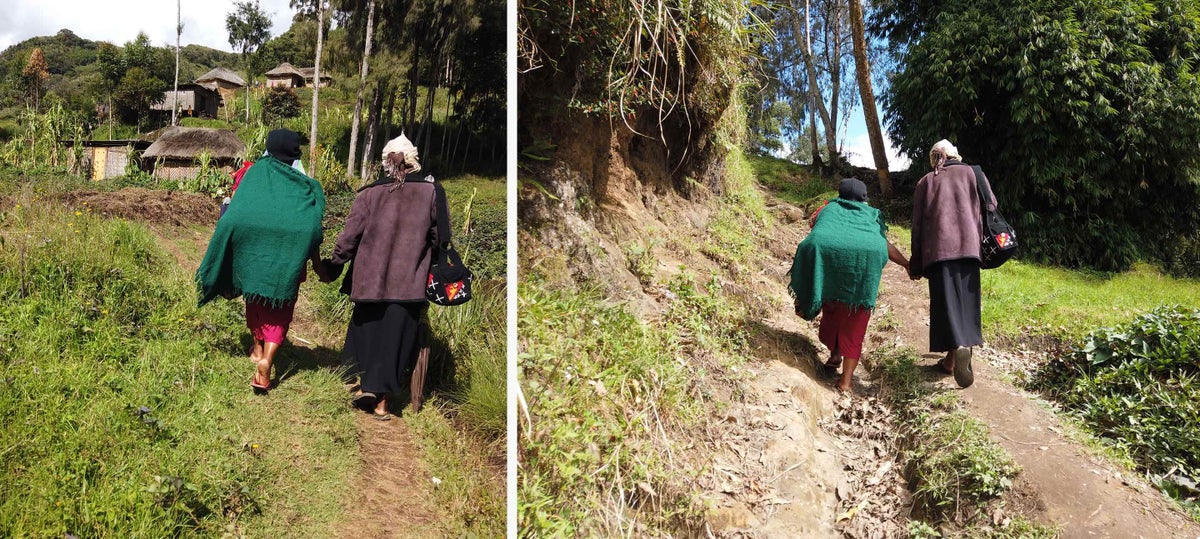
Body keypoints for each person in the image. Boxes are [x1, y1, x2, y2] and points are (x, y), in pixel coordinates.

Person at [195, 129, 328, 392]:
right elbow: (313, 225)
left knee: (255, 298)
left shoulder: (253, 173)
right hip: (288, 257)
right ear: (294, 155)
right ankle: (268, 358)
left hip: (253, 254)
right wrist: (314, 258)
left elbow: (236, 212)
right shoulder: (304, 184)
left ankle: (257, 350)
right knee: (280, 308)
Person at [321, 134, 439, 420]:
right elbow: (439, 239)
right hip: (408, 284)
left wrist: (334, 264)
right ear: (413, 160)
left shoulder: (368, 193)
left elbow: (350, 237)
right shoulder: (431, 193)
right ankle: (382, 402)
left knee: (369, 334)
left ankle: (364, 384)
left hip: (368, 282)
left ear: (386, 163)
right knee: (395, 340)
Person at [789, 178, 910, 393]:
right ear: (864, 198)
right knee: (855, 325)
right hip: (862, 274)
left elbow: (816, 230)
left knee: (832, 313)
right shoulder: (871, 215)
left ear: (840, 193)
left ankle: (834, 355)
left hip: (831, 269)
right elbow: (884, 244)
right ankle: (845, 381)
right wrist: (907, 265)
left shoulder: (828, 208)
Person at [908, 139, 995, 388]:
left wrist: (916, 263)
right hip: (970, 247)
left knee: (945, 304)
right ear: (955, 154)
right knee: (967, 303)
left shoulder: (926, 181)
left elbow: (917, 226)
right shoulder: (973, 173)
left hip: (938, 250)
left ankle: (954, 351)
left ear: (937, 157)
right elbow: (991, 205)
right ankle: (952, 359)